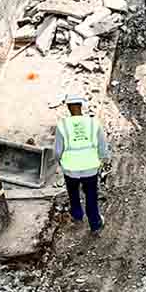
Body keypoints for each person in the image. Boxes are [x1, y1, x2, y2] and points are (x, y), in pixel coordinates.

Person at [54, 93, 108, 233]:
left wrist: (60, 162)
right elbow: (102, 146)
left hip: (70, 169)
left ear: (68, 107)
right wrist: (103, 159)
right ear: (81, 106)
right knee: (91, 195)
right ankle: (95, 223)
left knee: (73, 193)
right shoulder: (93, 123)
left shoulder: (62, 125)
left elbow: (58, 151)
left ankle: (77, 215)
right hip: (90, 167)